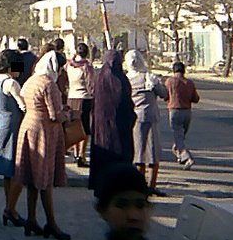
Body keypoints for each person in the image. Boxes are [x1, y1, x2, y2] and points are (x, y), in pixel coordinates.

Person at [14, 51, 71, 240]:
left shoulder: (31, 80)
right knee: (45, 178)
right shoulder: (49, 84)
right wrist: (68, 115)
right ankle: (51, 223)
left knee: (32, 178)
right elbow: (54, 114)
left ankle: (31, 219)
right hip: (44, 132)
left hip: (28, 126)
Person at [88, 50, 137, 193]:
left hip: (101, 126)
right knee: (119, 154)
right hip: (119, 126)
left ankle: (101, 185)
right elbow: (127, 103)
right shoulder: (121, 79)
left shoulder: (99, 78)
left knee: (103, 155)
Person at [124, 50, 169, 196]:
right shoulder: (150, 77)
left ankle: (139, 184)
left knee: (138, 153)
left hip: (134, 118)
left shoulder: (126, 79)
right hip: (150, 117)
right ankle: (151, 185)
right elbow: (164, 94)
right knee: (152, 152)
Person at [0, 50, 27, 227]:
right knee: (17, 170)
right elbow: (23, 105)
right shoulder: (11, 83)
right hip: (13, 125)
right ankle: (11, 209)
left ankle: (9, 206)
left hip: (0, 124)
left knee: (7, 171)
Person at [164, 61, 200, 170]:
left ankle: (187, 157)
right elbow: (196, 99)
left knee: (178, 136)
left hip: (174, 111)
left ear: (174, 70)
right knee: (181, 136)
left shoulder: (169, 81)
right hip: (187, 112)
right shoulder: (189, 83)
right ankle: (180, 155)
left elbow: (165, 96)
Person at [66, 42, 95, 168]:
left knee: (74, 126)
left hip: (71, 97)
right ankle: (81, 155)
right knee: (84, 128)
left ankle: (75, 152)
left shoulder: (69, 65)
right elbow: (91, 84)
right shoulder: (87, 66)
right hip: (84, 98)